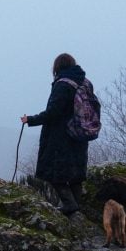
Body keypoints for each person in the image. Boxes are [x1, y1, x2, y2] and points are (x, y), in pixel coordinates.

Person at [20, 53, 90, 217]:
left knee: (52, 171)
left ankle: (69, 204)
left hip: (61, 137)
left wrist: (30, 119)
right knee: (75, 174)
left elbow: (53, 112)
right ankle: (76, 207)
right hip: (80, 135)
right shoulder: (85, 83)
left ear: (57, 67)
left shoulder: (63, 85)